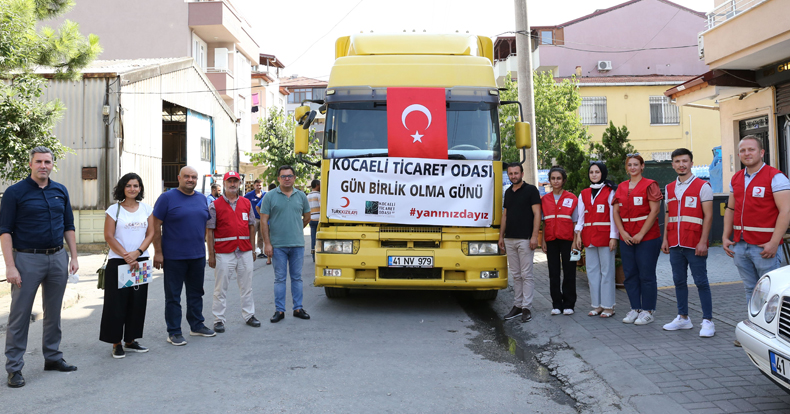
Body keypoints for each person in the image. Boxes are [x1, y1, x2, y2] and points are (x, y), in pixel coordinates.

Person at [0, 147, 79, 388]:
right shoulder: (15, 193)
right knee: (20, 315)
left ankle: (53, 358)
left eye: (47, 161)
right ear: (30, 164)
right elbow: (5, 231)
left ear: (52, 164)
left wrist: (74, 257)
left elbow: (69, 225)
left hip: (57, 258)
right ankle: (14, 368)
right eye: (38, 161)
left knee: (53, 313)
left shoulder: (60, 190)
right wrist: (10, 267)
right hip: (26, 260)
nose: (43, 165)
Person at [723, 136, 790, 345]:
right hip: (740, 245)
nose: (746, 154)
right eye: (742, 150)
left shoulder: (776, 177)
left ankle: (773, 335)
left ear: (762, 153)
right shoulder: (736, 178)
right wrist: (725, 236)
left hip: (764, 247)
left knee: (771, 293)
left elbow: (786, 210)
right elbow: (731, 209)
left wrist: (774, 242)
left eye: (751, 150)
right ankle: (753, 331)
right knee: (750, 290)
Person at [153, 166, 215, 346]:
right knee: (173, 296)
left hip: (196, 255)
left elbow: (205, 224)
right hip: (173, 256)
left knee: (196, 292)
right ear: (179, 178)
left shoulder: (202, 199)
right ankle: (174, 332)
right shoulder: (166, 198)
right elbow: (155, 225)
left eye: (194, 177)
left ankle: (196, 325)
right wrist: (158, 252)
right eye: (187, 176)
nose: (190, 179)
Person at [660, 148, 715, 338]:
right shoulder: (668, 188)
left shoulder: (703, 186)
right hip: (675, 244)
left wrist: (703, 242)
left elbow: (708, 216)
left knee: (701, 281)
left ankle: (708, 321)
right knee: (678, 281)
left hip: (695, 243)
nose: (681, 164)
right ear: (672, 164)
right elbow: (668, 214)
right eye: (677, 161)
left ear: (691, 163)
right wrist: (665, 239)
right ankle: (683, 318)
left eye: (684, 161)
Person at [100, 173, 154, 358]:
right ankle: (116, 343)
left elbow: (151, 234)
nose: (132, 189)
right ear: (122, 187)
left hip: (140, 261)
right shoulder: (113, 210)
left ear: (140, 188)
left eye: (136, 186)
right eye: (129, 185)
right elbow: (109, 236)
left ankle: (130, 340)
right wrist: (126, 255)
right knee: (116, 304)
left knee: (137, 303)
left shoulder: (147, 209)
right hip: (119, 262)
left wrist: (137, 253)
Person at [613, 154, 662, 326]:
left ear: (642, 166)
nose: (633, 167)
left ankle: (648, 310)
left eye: (636, 164)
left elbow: (654, 211)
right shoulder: (621, 187)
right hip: (626, 237)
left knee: (646, 275)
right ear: (626, 168)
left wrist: (641, 234)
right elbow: (615, 212)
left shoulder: (650, 185)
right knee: (630, 274)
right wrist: (623, 233)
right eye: (629, 165)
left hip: (647, 237)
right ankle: (635, 308)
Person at [208, 171, 260, 333]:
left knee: (247, 286)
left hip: (244, 251)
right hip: (224, 252)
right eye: (229, 181)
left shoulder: (246, 203)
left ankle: (249, 315)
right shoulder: (214, 205)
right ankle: (218, 319)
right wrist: (211, 254)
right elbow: (209, 231)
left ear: (239, 184)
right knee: (221, 288)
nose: (232, 184)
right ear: (224, 184)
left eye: (235, 181)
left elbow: (252, 226)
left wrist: (252, 248)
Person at [260, 165, 311, 323]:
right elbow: (263, 221)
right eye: (283, 176)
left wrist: (296, 229)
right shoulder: (270, 196)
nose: (287, 179)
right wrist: (267, 244)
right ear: (278, 179)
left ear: (294, 178)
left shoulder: (301, 196)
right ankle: (280, 311)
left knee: (297, 278)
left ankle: (298, 308)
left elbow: (307, 217)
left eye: (289, 176)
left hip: (297, 244)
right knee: (280, 279)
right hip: (278, 245)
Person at [498, 163, 542, 323]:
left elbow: (537, 214)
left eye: (516, 173)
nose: (513, 176)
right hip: (509, 239)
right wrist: (501, 236)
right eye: (510, 173)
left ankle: (526, 308)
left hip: (525, 239)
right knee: (516, 275)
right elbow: (505, 215)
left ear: (522, 174)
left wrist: (534, 236)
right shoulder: (508, 192)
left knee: (527, 275)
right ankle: (517, 305)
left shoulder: (531, 190)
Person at [575, 162, 619, 318]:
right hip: (589, 237)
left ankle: (609, 306)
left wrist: (614, 237)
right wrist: (578, 234)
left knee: (607, 272)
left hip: (606, 237)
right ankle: (597, 305)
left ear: (603, 173)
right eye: (591, 172)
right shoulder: (584, 193)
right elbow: (581, 218)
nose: (594, 174)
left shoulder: (610, 192)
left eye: (597, 172)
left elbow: (614, 217)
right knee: (592, 272)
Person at [541, 166, 578, 316]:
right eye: (553, 178)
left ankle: (569, 304)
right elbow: (544, 222)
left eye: (559, 178)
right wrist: (543, 240)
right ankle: (556, 304)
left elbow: (576, 222)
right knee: (553, 273)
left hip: (568, 240)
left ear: (563, 180)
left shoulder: (572, 198)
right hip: (551, 240)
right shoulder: (544, 199)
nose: (556, 181)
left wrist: (576, 240)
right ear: (549, 180)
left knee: (569, 272)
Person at [243, 179, 266, 258]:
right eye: (257, 185)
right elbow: (243, 203)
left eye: (260, 185)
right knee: (251, 235)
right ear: (254, 186)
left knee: (261, 236)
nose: (259, 187)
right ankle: (250, 251)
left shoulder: (265, 195)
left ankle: (260, 251)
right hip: (254, 219)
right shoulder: (249, 195)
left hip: (263, 218)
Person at [257, 183, 277, 265]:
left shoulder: (267, 196)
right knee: (275, 240)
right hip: (275, 222)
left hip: (268, 221)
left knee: (268, 240)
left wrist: (262, 216)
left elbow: (257, 207)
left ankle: (269, 259)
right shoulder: (276, 196)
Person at [307, 179, 321, 262]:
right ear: (317, 185)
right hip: (318, 219)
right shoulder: (318, 195)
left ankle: (313, 256)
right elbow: (321, 206)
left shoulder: (308, 196)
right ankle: (318, 255)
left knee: (313, 238)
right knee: (319, 238)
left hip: (311, 219)